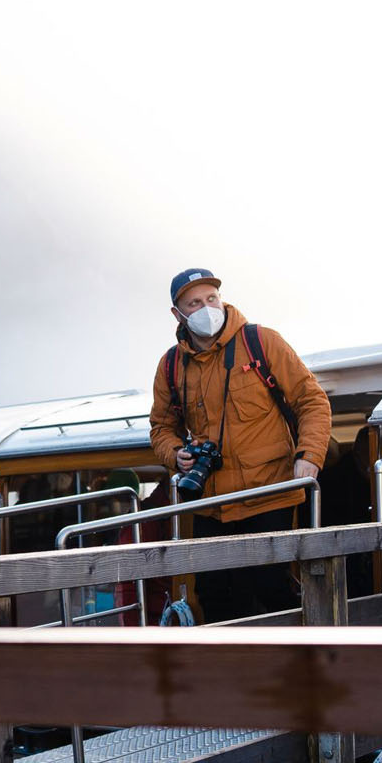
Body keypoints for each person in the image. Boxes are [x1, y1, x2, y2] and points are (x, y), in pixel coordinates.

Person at [148, 267, 332, 623]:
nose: (206, 308)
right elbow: (161, 428)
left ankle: (294, 656)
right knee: (213, 596)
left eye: (211, 298)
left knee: (269, 589)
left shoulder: (261, 341)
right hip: (211, 505)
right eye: (194, 303)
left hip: (270, 494)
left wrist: (309, 456)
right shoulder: (171, 365)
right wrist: (176, 454)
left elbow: (312, 401)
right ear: (178, 313)